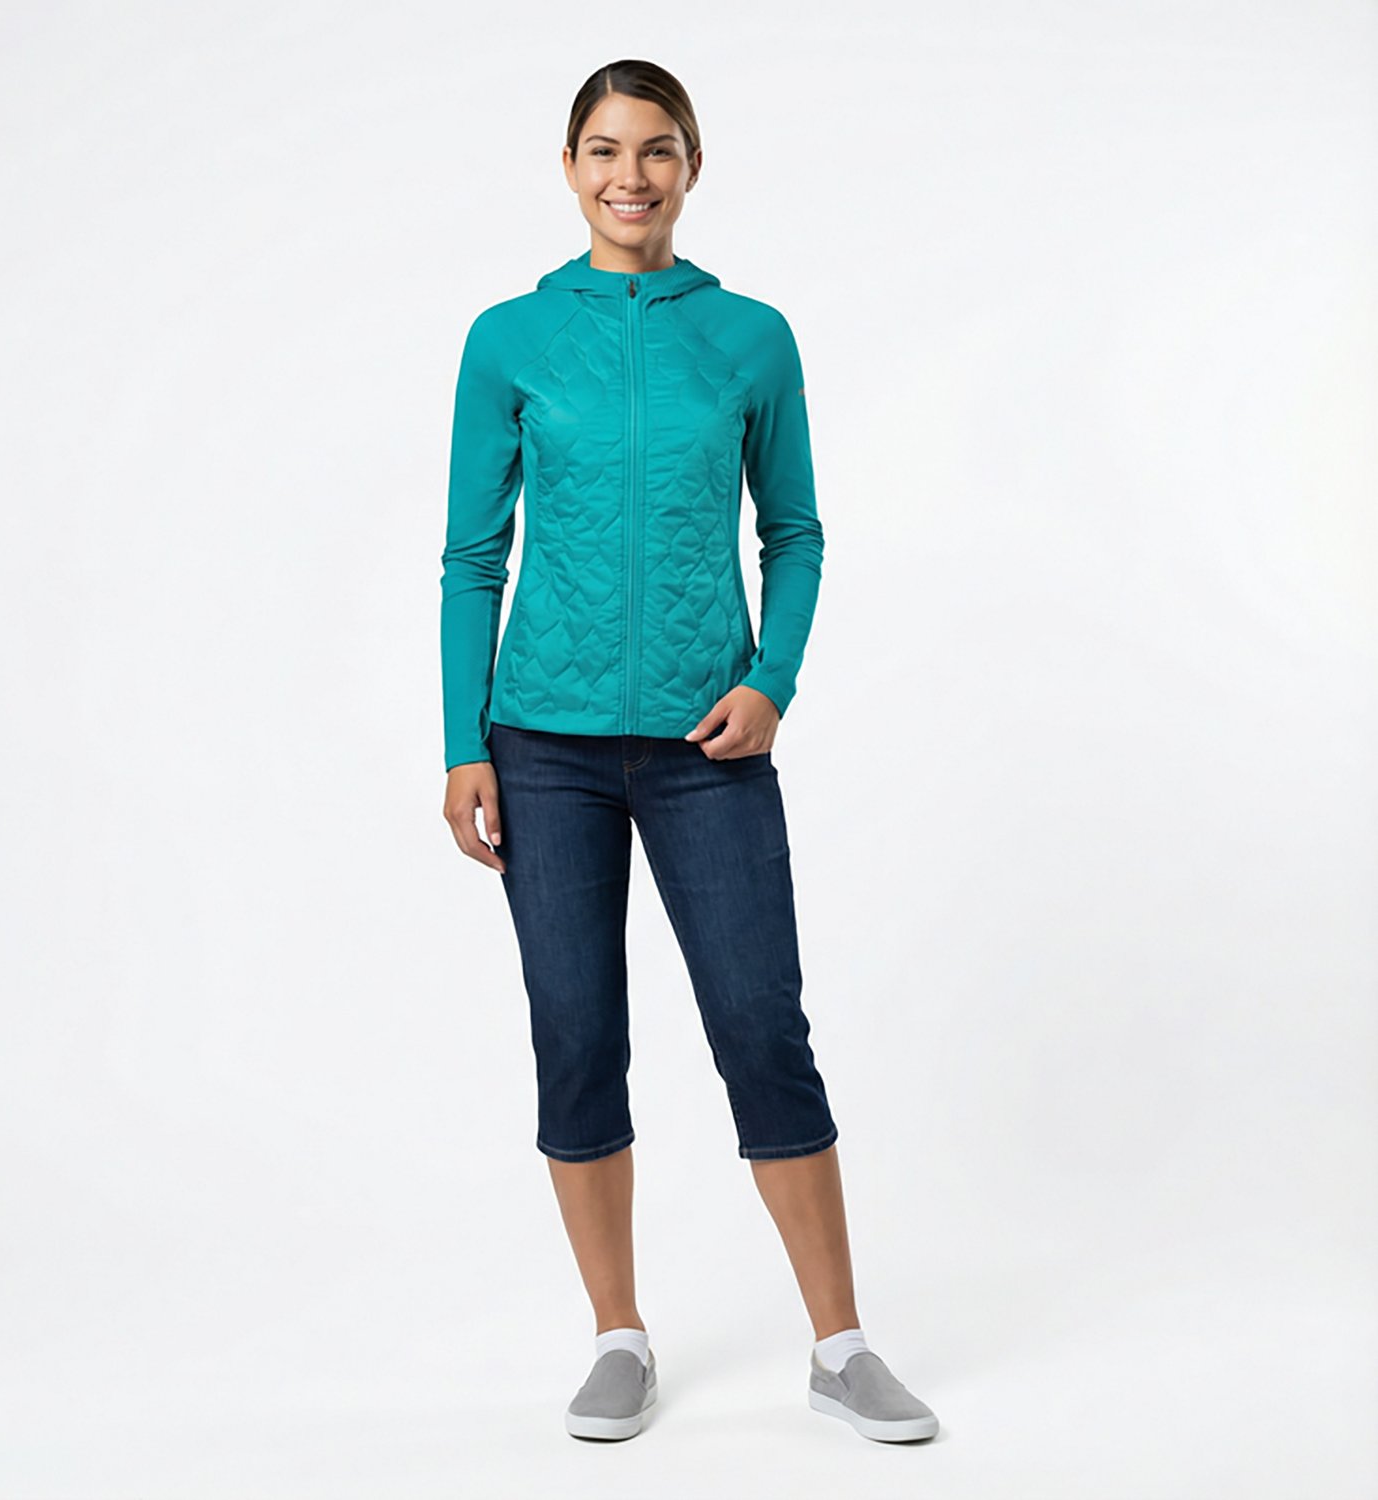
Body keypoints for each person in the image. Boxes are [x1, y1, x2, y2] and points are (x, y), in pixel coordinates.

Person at [439, 58, 939, 1446]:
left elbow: (797, 532)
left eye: (656, 150)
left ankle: (840, 1347)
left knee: (762, 1028)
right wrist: (463, 742)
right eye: (605, 150)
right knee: (576, 1036)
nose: (631, 176)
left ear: (692, 166)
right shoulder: (509, 340)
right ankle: (618, 1335)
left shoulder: (750, 338)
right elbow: (473, 557)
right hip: (541, 748)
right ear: (568, 168)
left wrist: (772, 682)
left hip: (705, 745)